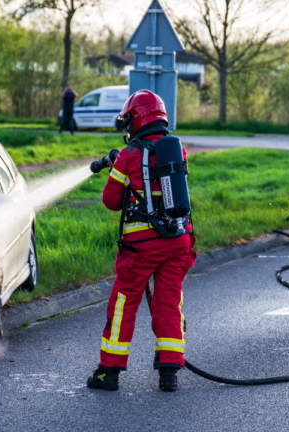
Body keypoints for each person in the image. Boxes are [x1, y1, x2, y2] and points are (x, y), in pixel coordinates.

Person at [86, 90, 196, 392]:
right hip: (178, 240)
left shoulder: (131, 154)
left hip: (142, 247)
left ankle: (109, 372)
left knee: (124, 302)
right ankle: (169, 372)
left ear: (136, 120)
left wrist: (117, 166)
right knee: (170, 301)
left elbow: (111, 200)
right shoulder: (177, 150)